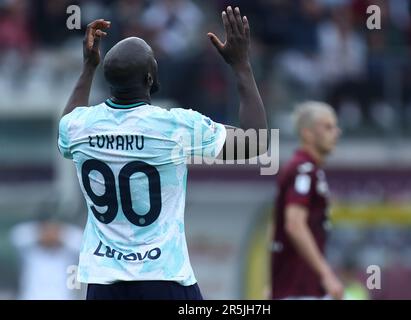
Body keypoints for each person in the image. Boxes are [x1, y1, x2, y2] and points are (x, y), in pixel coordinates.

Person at [57, 6, 267, 300]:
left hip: (104, 283)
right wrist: (241, 64)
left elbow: (66, 127)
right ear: (150, 78)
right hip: (164, 277)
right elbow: (255, 143)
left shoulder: (79, 126)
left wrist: (88, 68)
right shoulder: (175, 125)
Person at [271, 101, 343, 300]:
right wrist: (326, 273)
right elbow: (294, 225)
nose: (337, 132)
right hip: (299, 289)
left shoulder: (305, 169)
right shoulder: (304, 170)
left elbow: (276, 227)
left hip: (298, 287)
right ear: (307, 133)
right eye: (328, 127)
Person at [10, 217, 83, 300]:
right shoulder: (30, 253)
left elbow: (81, 241)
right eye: (46, 231)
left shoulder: (68, 255)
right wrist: (41, 233)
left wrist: (61, 233)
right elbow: (16, 236)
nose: (50, 235)